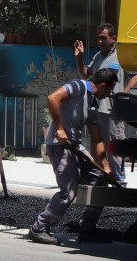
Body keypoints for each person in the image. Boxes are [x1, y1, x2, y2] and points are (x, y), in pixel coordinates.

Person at [27, 67, 120, 246]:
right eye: (109, 89)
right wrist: (60, 129)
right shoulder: (78, 87)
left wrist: (106, 167)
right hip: (60, 146)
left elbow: (97, 138)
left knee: (98, 181)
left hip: (74, 145)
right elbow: (52, 98)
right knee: (68, 191)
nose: (109, 94)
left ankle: (87, 230)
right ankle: (39, 228)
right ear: (102, 85)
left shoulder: (93, 103)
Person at [74, 23, 137, 185]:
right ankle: (100, 180)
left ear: (113, 39)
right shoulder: (98, 57)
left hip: (113, 110)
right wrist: (79, 58)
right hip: (97, 109)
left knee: (114, 147)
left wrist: (125, 93)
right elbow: (86, 76)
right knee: (98, 148)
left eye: (103, 38)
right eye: (98, 38)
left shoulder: (122, 56)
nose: (100, 41)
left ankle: (119, 182)